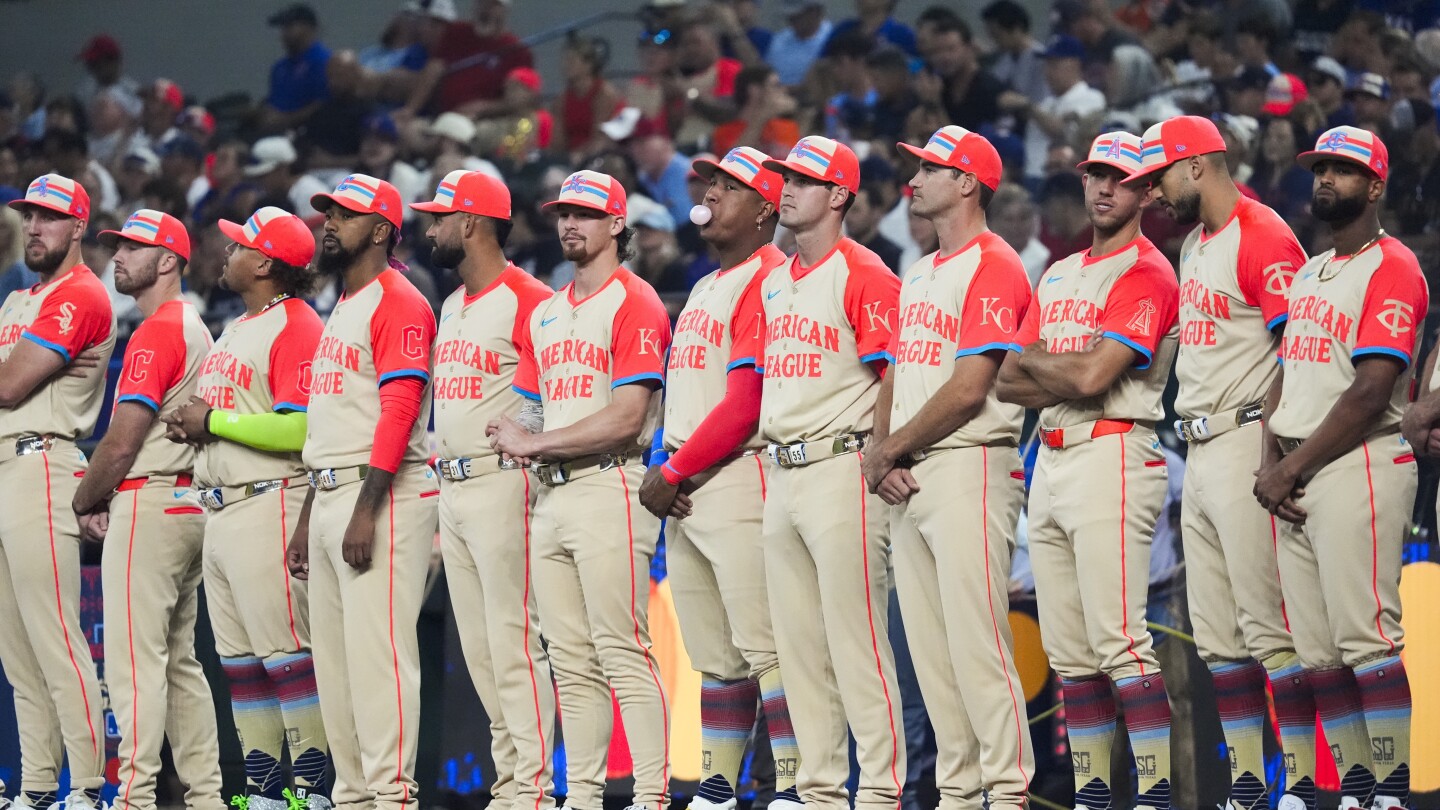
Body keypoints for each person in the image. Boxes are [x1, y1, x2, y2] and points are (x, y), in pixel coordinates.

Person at [1122, 115, 1315, 810]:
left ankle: (1296, 782)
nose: (1155, 195)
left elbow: (1303, 350)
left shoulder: (1263, 235)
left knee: (1268, 627)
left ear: (1198, 165)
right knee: (1217, 637)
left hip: (1245, 441)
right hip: (1198, 446)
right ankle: (1243, 784)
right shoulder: (1195, 245)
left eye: (1161, 177)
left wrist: (1274, 452)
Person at [996, 131, 1180, 810]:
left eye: (1121, 179)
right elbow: (1009, 382)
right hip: (1052, 454)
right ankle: (1096, 798)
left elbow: (1098, 372)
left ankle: (1157, 796)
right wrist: (1062, 371)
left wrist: (1056, 366)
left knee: (1121, 643)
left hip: (1115, 450)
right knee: (1072, 655)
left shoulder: (1149, 271)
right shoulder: (1061, 272)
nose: (1104, 189)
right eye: (1095, 176)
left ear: (1147, 192)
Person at [490, 170, 673, 810]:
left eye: (587, 214)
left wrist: (532, 440)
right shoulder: (545, 311)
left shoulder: (638, 301)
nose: (571, 224)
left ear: (617, 224)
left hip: (610, 484)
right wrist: (515, 428)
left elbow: (626, 418)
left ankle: (651, 797)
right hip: (553, 494)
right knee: (569, 661)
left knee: (622, 652)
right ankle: (584, 798)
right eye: (564, 213)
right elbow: (537, 408)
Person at [864, 126, 1035, 808]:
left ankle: (1008, 793)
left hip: (970, 464)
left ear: (966, 182)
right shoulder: (920, 270)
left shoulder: (996, 262)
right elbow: (894, 379)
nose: (914, 180)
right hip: (910, 473)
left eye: (930, 168)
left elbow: (971, 389)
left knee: (979, 647)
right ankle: (959, 796)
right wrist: (882, 455)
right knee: (933, 663)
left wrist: (892, 448)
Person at [1258, 127, 1426, 810]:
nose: (1326, 180)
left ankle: (1391, 792)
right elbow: (1286, 373)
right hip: (1297, 469)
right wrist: (1270, 457)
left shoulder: (1394, 265)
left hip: (1357, 459)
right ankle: (1355, 790)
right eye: (1321, 168)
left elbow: (1370, 391)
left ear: (1376, 186)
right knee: (1318, 647)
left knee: (1367, 633)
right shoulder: (1308, 270)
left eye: (1344, 170)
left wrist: (1290, 464)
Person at [637, 147, 802, 810]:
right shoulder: (706, 284)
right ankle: (717, 786)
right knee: (716, 653)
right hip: (686, 485)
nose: (709, 194)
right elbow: (683, 396)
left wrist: (673, 469)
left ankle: (792, 785)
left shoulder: (771, 278)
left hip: (738, 474)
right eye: (709, 182)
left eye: (728, 186)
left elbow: (746, 402)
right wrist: (664, 465)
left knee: (769, 646)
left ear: (766, 208)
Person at [159, 207, 330, 810]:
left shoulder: (299, 324)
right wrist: (198, 426)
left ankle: (310, 795)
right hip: (222, 509)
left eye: (238, 247)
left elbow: (302, 429)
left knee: (287, 659)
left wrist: (213, 421)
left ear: (263, 263)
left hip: (270, 502)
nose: (225, 253)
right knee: (241, 666)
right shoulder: (238, 325)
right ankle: (265, 794)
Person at [754, 136, 904, 810]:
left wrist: (883, 452)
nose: (787, 189)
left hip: (843, 466)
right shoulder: (777, 278)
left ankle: (878, 793)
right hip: (781, 472)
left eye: (804, 180)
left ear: (840, 194)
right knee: (798, 651)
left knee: (857, 643)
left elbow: (897, 371)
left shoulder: (865, 271)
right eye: (785, 178)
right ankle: (817, 793)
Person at [287, 174, 440, 810]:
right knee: (337, 668)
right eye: (327, 212)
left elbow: (400, 411)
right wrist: (305, 519)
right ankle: (353, 797)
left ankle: (391, 795)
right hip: (329, 492)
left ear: (380, 230)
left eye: (345, 215)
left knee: (379, 660)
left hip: (380, 498)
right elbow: (328, 426)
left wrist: (363, 511)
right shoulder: (343, 306)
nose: (328, 222)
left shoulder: (398, 299)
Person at [413, 170, 559, 810]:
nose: (430, 228)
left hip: (506, 482)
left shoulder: (529, 297)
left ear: (470, 222)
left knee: (514, 642)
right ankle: (512, 785)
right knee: (479, 651)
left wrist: (524, 446)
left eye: (439, 217)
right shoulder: (451, 304)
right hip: (456, 488)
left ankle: (531, 787)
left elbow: (558, 394)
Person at [74, 210, 223, 810]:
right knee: (180, 662)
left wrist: (86, 497)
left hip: (152, 497)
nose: (117, 257)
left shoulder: (159, 328)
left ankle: (132, 797)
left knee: (136, 661)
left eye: (133, 248)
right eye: (116, 246)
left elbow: (124, 436)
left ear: (168, 260)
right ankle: (206, 797)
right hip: (189, 500)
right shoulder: (193, 325)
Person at [0, 175, 113, 810]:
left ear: (77, 227)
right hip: (4, 469)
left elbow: (11, 385)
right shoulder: (19, 299)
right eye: (28, 216)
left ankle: (88, 788)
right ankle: (38, 787)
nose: (34, 227)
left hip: (41, 463)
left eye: (48, 217)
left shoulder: (80, 295)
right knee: (17, 652)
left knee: (56, 640)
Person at [402, 0, 534, 119]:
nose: (486, 9)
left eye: (493, 5)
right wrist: (410, 109)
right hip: (441, 115)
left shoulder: (519, 52)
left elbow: (519, 101)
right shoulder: (456, 31)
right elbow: (433, 70)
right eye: (482, 3)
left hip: (483, 122)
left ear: (505, 10)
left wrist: (483, 108)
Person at [1022, 36, 1106, 185]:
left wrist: (1028, 106)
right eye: (1047, 64)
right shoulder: (1045, 103)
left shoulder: (1091, 97)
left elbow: (1063, 132)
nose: (1048, 71)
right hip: (1029, 175)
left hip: (1060, 178)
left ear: (1075, 64)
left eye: (1054, 64)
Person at [260, 4, 331, 134]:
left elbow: (323, 106)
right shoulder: (279, 68)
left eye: (289, 27)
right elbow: (274, 102)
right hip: (275, 133)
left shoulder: (324, 62)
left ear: (308, 28)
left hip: (309, 133)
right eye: (282, 28)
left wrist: (285, 120)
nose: (283, 34)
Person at [245, 136, 331, 217]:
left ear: (282, 169)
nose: (260, 182)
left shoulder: (311, 193)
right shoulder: (268, 196)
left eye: (264, 176)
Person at [765, 0, 833, 87]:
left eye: (797, 15)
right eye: (789, 15)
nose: (791, 19)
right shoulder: (778, 40)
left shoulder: (832, 39)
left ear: (815, 11)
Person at [845, 180, 902, 274]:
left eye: (856, 210)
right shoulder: (842, 252)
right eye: (847, 209)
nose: (848, 216)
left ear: (876, 213)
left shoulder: (892, 257)